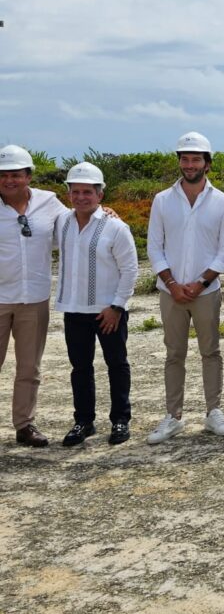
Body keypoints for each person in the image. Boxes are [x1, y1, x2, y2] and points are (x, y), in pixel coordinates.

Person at [146, 132, 224, 444]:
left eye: (196, 159)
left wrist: (200, 283)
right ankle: (173, 416)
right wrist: (172, 283)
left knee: (210, 352)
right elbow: (154, 247)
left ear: (207, 164)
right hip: (170, 292)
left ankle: (214, 412)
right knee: (174, 354)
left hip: (206, 292)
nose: (189, 164)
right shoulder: (162, 200)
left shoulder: (223, 202)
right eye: (184, 158)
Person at [54, 163, 139, 446]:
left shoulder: (116, 227)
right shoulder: (61, 222)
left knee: (116, 364)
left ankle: (120, 420)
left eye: (87, 192)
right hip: (74, 308)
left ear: (100, 194)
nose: (80, 197)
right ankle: (84, 422)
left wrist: (117, 306)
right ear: (68, 194)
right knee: (80, 367)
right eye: (75, 191)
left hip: (108, 311)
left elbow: (130, 269)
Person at [0, 144, 66, 447]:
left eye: (15, 174)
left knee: (29, 367)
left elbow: (78, 221)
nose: (9, 180)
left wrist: (106, 212)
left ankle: (24, 425)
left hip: (35, 297)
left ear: (28, 176)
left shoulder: (49, 202)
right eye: (3, 175)